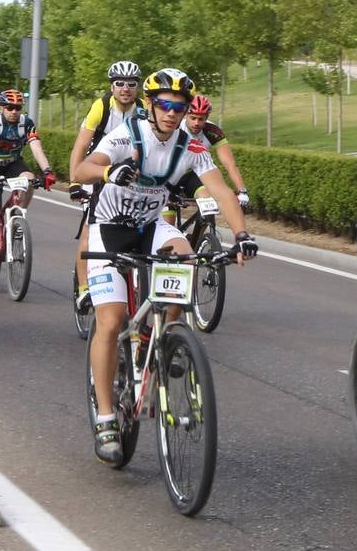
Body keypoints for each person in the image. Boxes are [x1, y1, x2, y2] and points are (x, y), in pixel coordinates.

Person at [71, 68, 258, 464]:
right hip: (110, 228)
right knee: (111, 319)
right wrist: (110, 171)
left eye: (181, 106)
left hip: (149, 225)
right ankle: (106, 416)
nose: (173, 113)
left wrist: (241, 235)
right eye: (165, 105)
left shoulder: (191, 145)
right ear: (151, 106)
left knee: (183, 256)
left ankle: (159, 338)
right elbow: (82, 169)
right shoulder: (127, 134)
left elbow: (221, 189)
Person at [68, 61, 147, 315]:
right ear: (112, 86)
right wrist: (74, 182)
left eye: (131, 84)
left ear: (138, 88)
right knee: (91, 232)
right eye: (120, 84)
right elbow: (80, 147)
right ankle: (83, 289)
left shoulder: (144, 109)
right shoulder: (101, 107)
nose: (125, 89)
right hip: (98, 173)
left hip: (131, 177)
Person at [0, 89, 57, 282]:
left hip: (12, 163)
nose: (14, 111)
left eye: (17, 108)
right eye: (10, 107)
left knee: (29, 179)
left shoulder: (26, 123)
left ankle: (18, 215)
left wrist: (47, 170)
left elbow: (36, 147)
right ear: (2, 108)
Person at [165, 94, 249, 237]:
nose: (197, 123)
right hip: (169, 175)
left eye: (201, 119)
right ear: (185, 115)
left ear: (206, 117)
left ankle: (197, 241)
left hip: (193, 176)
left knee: (208, 202)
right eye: (193, 118)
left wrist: (242, 191)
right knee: (167, 226)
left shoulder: (213, 131)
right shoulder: (175, 128)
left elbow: (229, 164)